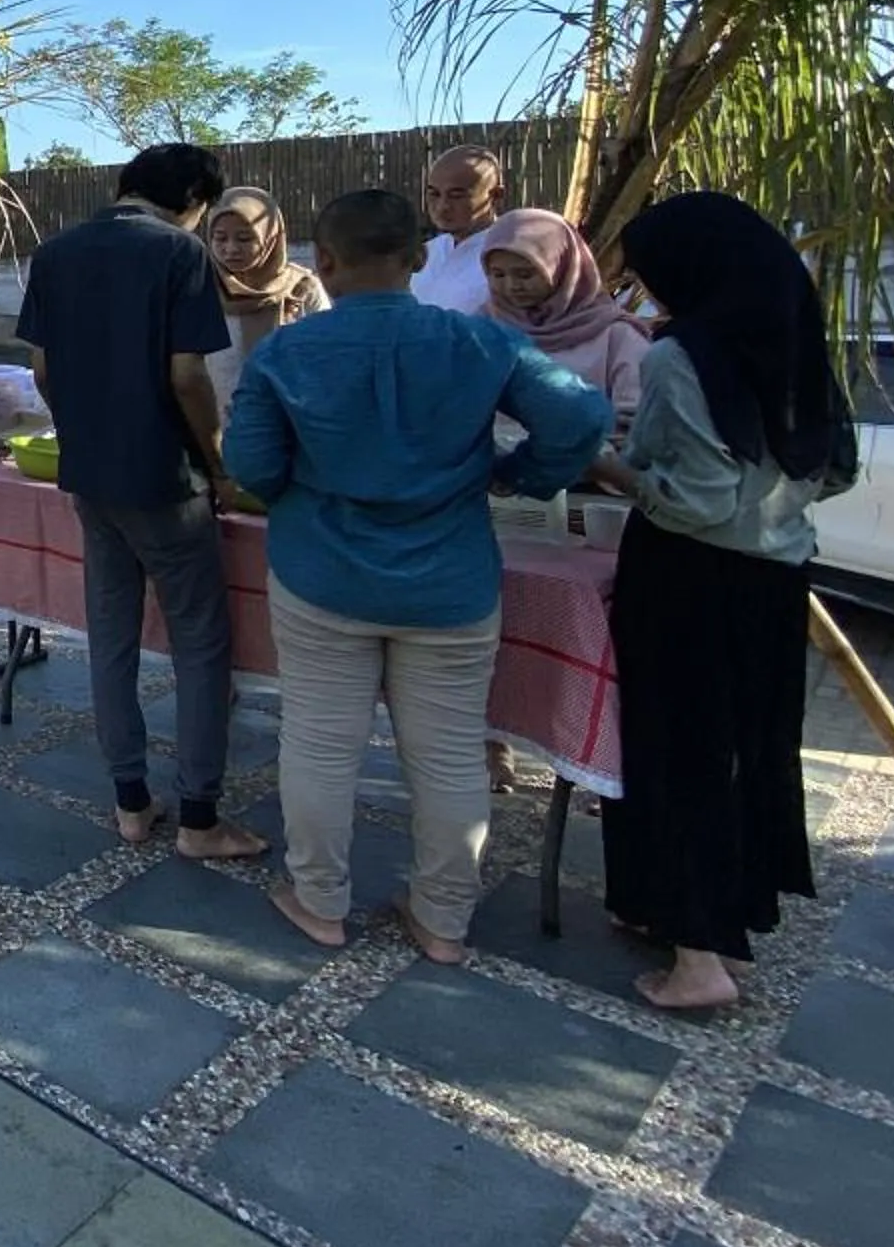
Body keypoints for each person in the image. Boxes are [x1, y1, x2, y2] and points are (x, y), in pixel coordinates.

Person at [225, 190, 613, 962]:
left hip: (321, 575)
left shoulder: (287, 353)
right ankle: (442, 920)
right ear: (415, 258)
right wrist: (519, 475)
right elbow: (580, 420)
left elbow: (251, 463)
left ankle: (319, 900)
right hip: (450, 583)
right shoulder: (479, 344)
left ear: (323, 263)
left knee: (320, 744)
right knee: (446, 753)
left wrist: (304, 491)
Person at [588, 192, 855, 1012]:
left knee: (679, 758)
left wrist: (609, 466)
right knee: (751, 751)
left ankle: (696, 953)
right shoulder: (796, 345)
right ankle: (726, 924)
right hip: (776, 578)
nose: (651, 292)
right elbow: (836, 469)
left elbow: (693, 503)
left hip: (687, 582)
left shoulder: (681, 357)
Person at [17, 141, 263, 859]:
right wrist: (216, 463)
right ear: (194, 200)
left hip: (90, 476)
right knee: (199, 644)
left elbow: (41, 368)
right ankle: (199, 817)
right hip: (166, 478)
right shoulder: (179, 254)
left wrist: (85, 429)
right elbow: (189, 374)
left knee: (112, 635)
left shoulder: (57, 253)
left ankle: (130, 800)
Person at [481, 208, 653, 427]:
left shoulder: (616, 336)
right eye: (498, 274)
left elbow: (638, 419)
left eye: (525, 274)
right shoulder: (482, 328)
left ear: (562, 267)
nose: (512, 286)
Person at [204, 184, 328, 420]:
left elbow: (324, 361)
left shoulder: (301, 289)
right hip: (216, 430)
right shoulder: (200, 290)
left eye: (244, 238)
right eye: (220, 238)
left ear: (270, 237)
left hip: (290, 425)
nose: (231, 249)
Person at [411, 145, 508, 313]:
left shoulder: (510, 257)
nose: (442, 207)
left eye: (456, 196)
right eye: (434, 194)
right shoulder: (426, 253)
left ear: (495, 196)